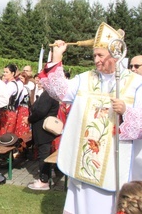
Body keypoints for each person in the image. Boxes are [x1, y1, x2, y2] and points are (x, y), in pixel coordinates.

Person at [39, 22, 142, 213]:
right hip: (83, 165)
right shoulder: (86, 79)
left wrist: (126, 111)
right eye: (94, 55)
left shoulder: (136, 83)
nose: (96, 60)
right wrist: (57, 56)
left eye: (100, 55)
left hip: (113, 168)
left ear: (116, 55)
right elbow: (59, 91)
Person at [24, 88, 59, 190]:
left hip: (43, 129)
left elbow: (40, 112)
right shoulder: (49, 93)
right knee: (44, 153)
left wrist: (29, 119)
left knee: (43, 154)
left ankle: (44, 181)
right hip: (43, 129)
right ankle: (45, 177)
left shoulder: (48, 94)